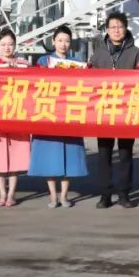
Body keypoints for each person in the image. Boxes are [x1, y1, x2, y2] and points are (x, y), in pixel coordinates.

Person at [88, 12, 139, 209]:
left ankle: (124, 194)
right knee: (104, 155)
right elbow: (89, 80)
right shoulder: (98, 53)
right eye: (112, 27)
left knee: (125, 154)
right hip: (103, 111)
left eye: (120, 26)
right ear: (107, 29)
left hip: (126, 111)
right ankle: (105, 195)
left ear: (126, 28)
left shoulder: (137, 53)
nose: (116, 30)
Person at [31, 26, 89, 208]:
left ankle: (64, 195)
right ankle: (52, 195)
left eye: (67, 41)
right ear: (53, 42)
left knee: (68, 155)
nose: (63, 44)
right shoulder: (43, 61)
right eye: (60, 40)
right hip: (49, 112)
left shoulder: (76, 63)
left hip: (69, 112)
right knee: (50, 154)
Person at [0, 29, 31, 207]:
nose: (7, 48)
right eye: (3, 44)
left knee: (16, 156)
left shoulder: (24, 64)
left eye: (10, 44)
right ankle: (2, 193)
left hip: (18, 115)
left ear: (15, 46)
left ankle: (11, 194)